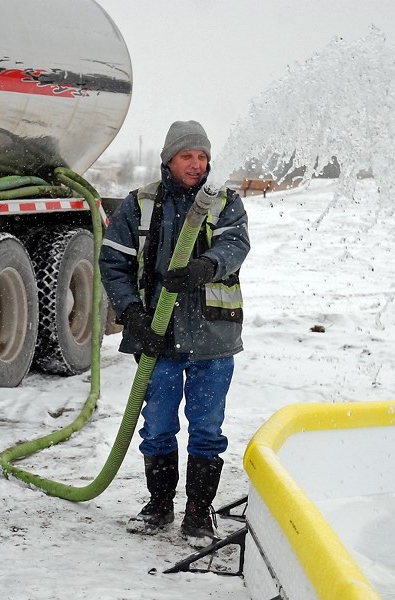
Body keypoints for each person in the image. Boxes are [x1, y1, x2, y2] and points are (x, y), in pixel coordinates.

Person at [98, 120, 250, 546]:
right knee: (158, 425)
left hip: (212, 339)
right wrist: (132, 314)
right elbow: (114, 262)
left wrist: (207, 265)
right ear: (168, 159)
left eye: (202, 157)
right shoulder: (140, 204)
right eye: (187, 156)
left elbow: (235, 245)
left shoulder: (223, 201)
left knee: (206, 428)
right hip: (158, 339)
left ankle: (199, 512)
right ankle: (160, 504)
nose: (197, 165)